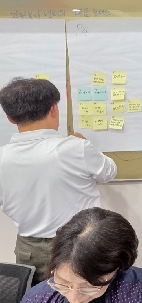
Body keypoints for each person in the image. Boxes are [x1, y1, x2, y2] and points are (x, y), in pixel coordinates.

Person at [0, 78, 117, 285]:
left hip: (29, 250)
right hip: (81, 244)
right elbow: (109, 172)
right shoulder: (75, 148)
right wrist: (83, 144)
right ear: (54, 109)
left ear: (9, 118)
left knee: (37, 296)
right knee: (85, 295)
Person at [22, 207, 142, 303]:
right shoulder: (38, 298)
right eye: (63, 283)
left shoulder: (141, 290)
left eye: (88, 287)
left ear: (115, 270)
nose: (74, 299)